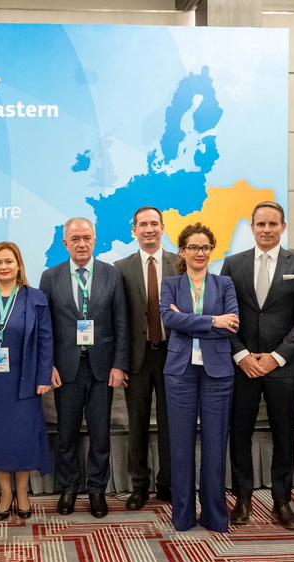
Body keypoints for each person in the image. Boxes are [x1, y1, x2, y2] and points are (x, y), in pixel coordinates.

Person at [220, 200, 294, 529]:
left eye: (273, 224)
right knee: (240, 434)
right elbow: (223, 316)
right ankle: (243, 498)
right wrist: (241, 354)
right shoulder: (233, 264)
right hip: (242, 367)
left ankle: (282, 500)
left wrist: (276, 357)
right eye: (260, 224)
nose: (266, 229)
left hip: (284, 368)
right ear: (252, 227)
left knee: (284, 435)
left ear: (283, 227)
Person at [39, 217, 129, 519]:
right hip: (66, 369)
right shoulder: (50, 277)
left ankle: (97, 490)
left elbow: (121, 323)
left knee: (100, 435)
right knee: (66, 434)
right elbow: (44, 328)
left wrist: (119, 364)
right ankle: (68, 487)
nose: (81, 244)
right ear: (65, 243)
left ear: (95, 240)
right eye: (75, 239)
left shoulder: (111, 274)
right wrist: (48, 364)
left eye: (87, 238)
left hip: (102, 368)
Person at [0, 242, 54, 520]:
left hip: (24, 382)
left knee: (22, 437)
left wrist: (43, 376)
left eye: (8, 261)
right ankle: (5, 493)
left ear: (18, 265)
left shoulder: (35, 297)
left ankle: (23, 493)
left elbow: (46, 340)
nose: (3, 267)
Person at [159, 223, 240, 533]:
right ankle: (182, 516)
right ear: (182, 251)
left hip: (217, 372)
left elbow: (232, 324)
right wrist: (213, 320)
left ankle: (214, 516)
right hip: (180, 372)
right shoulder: (170, 284)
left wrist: (190, 321)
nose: (200, 252)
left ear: (211, 251)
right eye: (193, 247)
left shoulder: (225, 283)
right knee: (181, 447)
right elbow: (169, 319)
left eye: (205, 247)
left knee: (215, 446)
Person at [115, 206, 178, 509]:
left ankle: (168, 483)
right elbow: (118, 320)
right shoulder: (120, 268)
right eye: (143, 224)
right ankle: (139, 485)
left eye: (154, 223)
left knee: (171, 424)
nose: (149, 229)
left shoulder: (180, 263)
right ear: (134, 230)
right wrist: (119, 362)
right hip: (137, 359)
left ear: (163, 228)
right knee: (137, 424)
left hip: (172, 356)